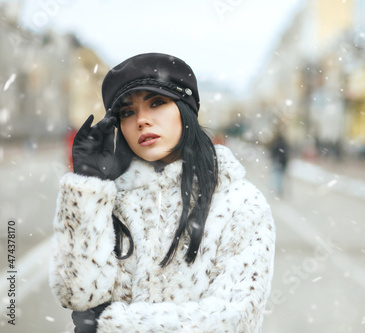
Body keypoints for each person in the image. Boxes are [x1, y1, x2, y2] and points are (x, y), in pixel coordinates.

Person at [49, 53, 276, 333]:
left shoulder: (239, 203)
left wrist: (115, 325)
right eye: (128, 112)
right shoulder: (111, 198)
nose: (142, 120)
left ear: (185, 109)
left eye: (157, 103)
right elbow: (77, 294)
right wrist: (87, 184)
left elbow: (235, 320)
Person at [269, 131, 289, 197]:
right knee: (280, 176)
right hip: (283, 162)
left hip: (278, 162)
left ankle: (277, 189)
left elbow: (273, 152)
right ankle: (279, 189)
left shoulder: (277, 144)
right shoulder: (284, 144)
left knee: (277, 176)